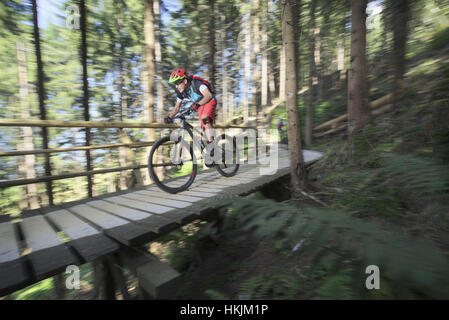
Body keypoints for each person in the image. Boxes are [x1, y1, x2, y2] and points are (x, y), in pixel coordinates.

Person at [164, 68, 217, 146]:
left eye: (177, 83)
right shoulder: (181, 93)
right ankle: (208, 144)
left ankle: (212, 146)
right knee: (203, 126)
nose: (176, 86)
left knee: (204, 118)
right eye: (175, 84)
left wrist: (197, 105)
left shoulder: (196, 84)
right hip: (200, 105)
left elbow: (208, 95)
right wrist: (169, 117)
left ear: (185, 81)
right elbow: (176, 108)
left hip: (209, 100)